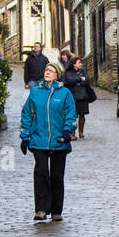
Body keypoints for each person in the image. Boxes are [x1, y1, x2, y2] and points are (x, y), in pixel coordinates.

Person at [19, 61, 78, 221]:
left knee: (57, 176)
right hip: (39, 139)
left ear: (57, 75)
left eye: (51, 71)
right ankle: (41, 209)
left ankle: (56, 210)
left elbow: (71, 114)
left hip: (59, 141)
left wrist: (67, 131)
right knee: (41, 173)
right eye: (46, 70)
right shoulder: (35, 92)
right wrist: (25, 137)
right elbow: (27, 115)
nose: (47, 73)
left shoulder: (65, 93)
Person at [62, 56, 96, 140]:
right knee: (73, 116)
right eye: (79, 63)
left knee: (82, 115)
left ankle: (81, 132)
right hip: (72, 97)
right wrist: (80, 79)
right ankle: (72, 132)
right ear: (74, 64)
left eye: (81, 62)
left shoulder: (83, 71)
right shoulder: (68, 72)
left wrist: (77, 81)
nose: (81, 64)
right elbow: (69, 81)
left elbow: (87, 80)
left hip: (83, 96)